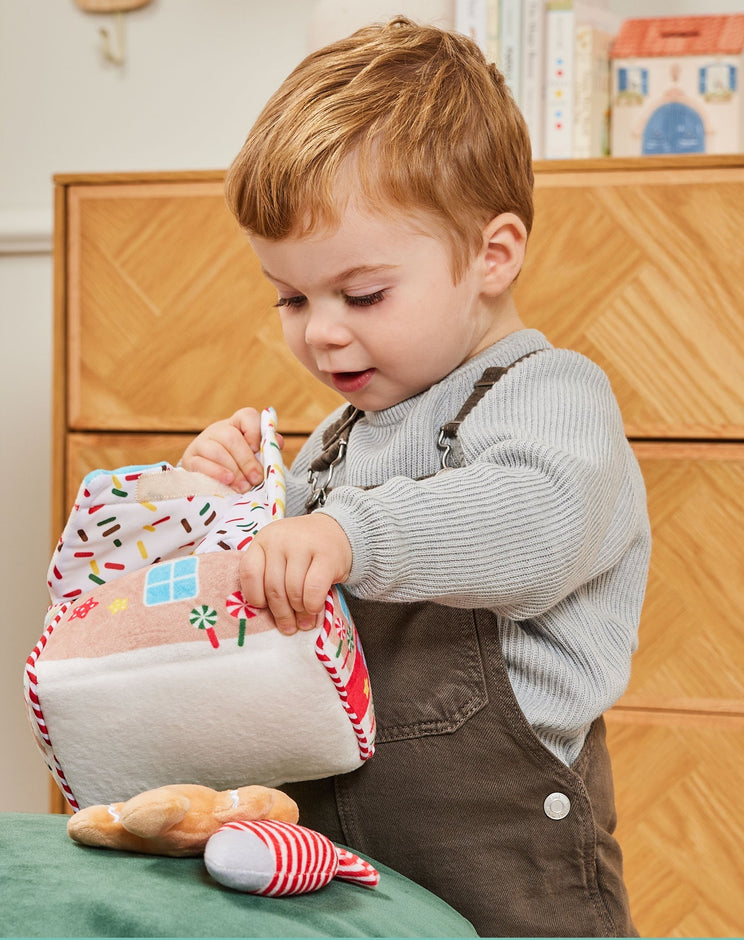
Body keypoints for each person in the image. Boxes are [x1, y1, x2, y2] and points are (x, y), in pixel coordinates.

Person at [179, 18, 650, 938]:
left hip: (507, 860)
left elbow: (536, 517)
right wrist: (230, 503)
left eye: (361, 295)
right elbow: (281, 595)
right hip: (341, 839)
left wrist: (346, 534)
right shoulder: (339, 438)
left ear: (492, 255)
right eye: (290, 296)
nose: (319, 330)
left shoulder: (550, 394)